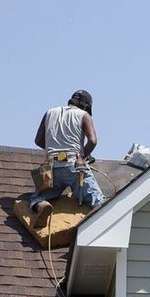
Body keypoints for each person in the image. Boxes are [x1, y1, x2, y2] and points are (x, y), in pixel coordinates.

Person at [28, 90, 104, 228]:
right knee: (97, 199)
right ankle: (101, 226)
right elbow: (92, 141)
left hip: (51, 169)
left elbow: (38, 140)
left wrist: (53, 150)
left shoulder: (49, 113)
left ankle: (41, 205)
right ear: (86, 106)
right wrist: (82, 156)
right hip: (73, 165)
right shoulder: (84, 115)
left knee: (37, 197)